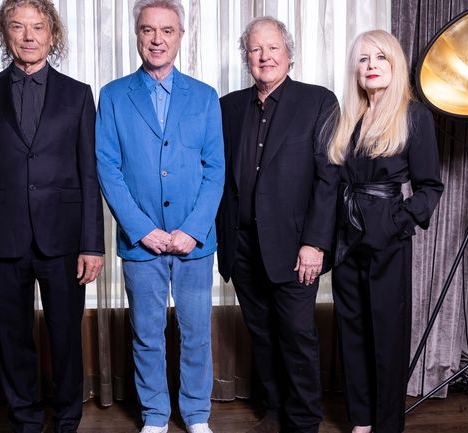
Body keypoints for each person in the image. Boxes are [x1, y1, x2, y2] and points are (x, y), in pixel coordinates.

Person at [0, 1, 105, 432]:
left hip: (63, 239)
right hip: (2, 239)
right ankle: (23, 421)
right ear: (4, 35)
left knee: (64, 338)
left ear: (52, 35)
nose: (28, 36)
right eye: (18, 27)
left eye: (38, 27)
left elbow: (89, 173)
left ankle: (66, 421)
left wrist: (92, 244)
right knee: (13, 338)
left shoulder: (78, 94)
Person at [95, 1, 224, 432]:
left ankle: (196, 415)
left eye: (166, 31)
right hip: (141, 241)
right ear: (137, 35)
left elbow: (215, 170)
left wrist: (192, 229)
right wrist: (141, 229)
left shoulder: (205, 97)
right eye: (148, 30)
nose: (157, 39)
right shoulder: (113, 95)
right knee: (146, 335)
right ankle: (154, 415)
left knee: (196, 335)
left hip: (194, 242)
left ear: (180, 37)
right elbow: (108, 169)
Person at [216, 16, 339, 433]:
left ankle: (303, 421)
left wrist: (316, 243)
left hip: (295, 247)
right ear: (246, 57)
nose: (264, 56)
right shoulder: (229, 106)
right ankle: (274, 410)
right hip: (243, 243)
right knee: (262, 333)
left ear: (289, 53)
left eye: (272, 48)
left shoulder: (319, 101)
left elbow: (329, 178)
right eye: (255, 49)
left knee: (297, 336)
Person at [327, 30, 444, 433]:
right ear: (355, 70)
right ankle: (361, 420)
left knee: (387, 336)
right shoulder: (348, 117)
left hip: (386, 240)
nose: (371, 66)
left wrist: (396, 222)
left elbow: (430, 186)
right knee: (352, 331)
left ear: (394, 65)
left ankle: (388, 424)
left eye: (380, 58)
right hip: (346, 240)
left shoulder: (414, 116)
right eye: (362, 59)